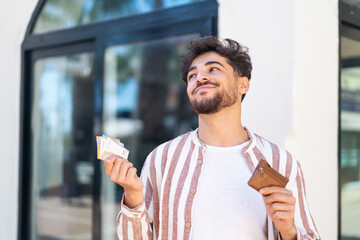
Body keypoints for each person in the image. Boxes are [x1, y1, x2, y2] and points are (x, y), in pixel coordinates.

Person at [104, 36, 320, 240]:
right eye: (192, 75)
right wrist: (133, 196)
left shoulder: (281, 162)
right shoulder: (162, 159)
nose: (200, 77)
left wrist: (289, 232)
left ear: (242, 84)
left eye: (213, 69)